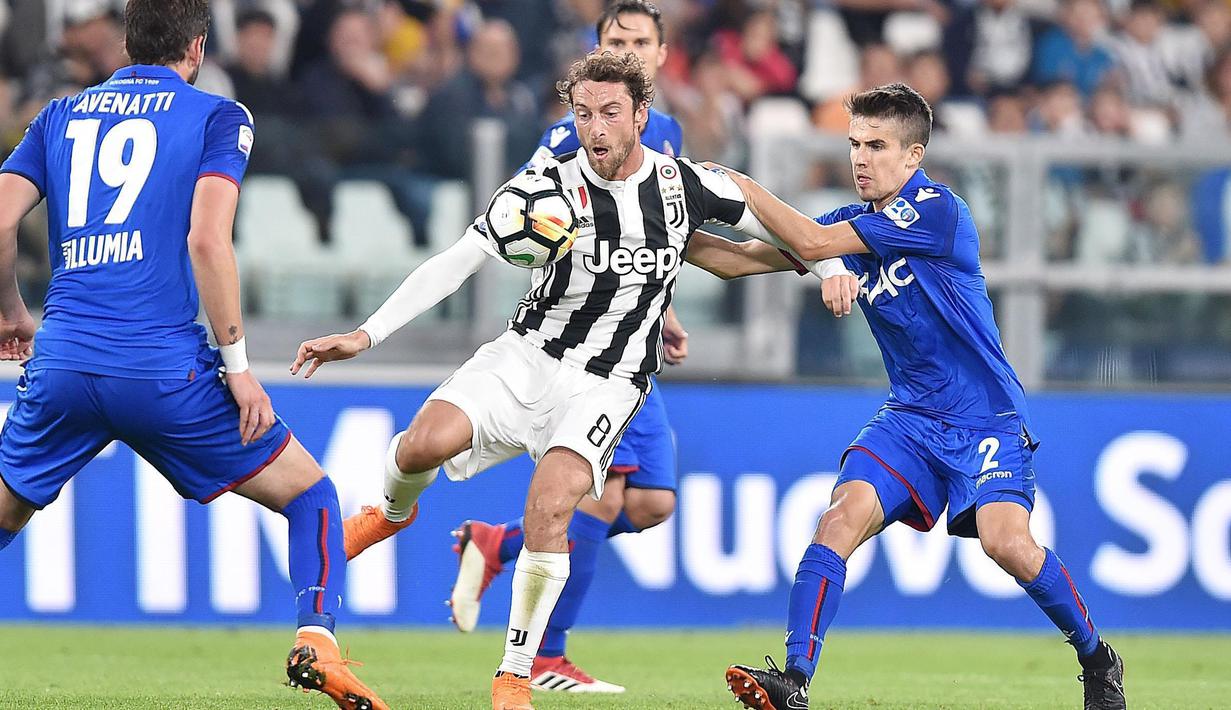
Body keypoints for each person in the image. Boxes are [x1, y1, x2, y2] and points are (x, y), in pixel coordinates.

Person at [289, 50, 850, 710]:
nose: (596, 129)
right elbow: (458, 260)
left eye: (611, 113)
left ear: (642, 115)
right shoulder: (544, 190)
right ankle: (388, 514)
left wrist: (826, 268)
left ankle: (513, 676)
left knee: (551, 507)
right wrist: (366, 335)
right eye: (583, 114)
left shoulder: (685, 188)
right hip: (526, 355)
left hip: (607, 382)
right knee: (419, 446)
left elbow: (790, 234)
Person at [0, 2, 387, 708]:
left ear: (126, 42)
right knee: (312, 495)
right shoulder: (218, 116)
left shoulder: (59, 116)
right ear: (199, 46)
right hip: (162, 373)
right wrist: (239, 372)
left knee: (4, 515)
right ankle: (315, 641)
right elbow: (207, 241)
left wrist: (11, 310)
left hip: (61, 364)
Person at [713, 83, 1127, 710]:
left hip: (984, 417)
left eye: (877, 146)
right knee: (838, 519)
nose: (860, 159)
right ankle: (792, 683)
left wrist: (740, 185)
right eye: (854, 144)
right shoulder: (851, 222)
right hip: (909, 419)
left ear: (913, 156)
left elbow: (815, 245)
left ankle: (1098, 660)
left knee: (1006, 543)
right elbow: (739, 262)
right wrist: (658, 231)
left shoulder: (938, 211)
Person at [447, 1, 689, 694]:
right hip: (584, 349)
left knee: (651, 504)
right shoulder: (566, 135)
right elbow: (525, 215)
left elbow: (646, 234)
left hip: (634, 336)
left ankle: (497, 544)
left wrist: (662, 306)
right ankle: (545, 655)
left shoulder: (661, 131)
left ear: (662, 56)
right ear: (597, 49)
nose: (631, 50)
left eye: (641, 41)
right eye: (617, 40)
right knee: (604, 492)